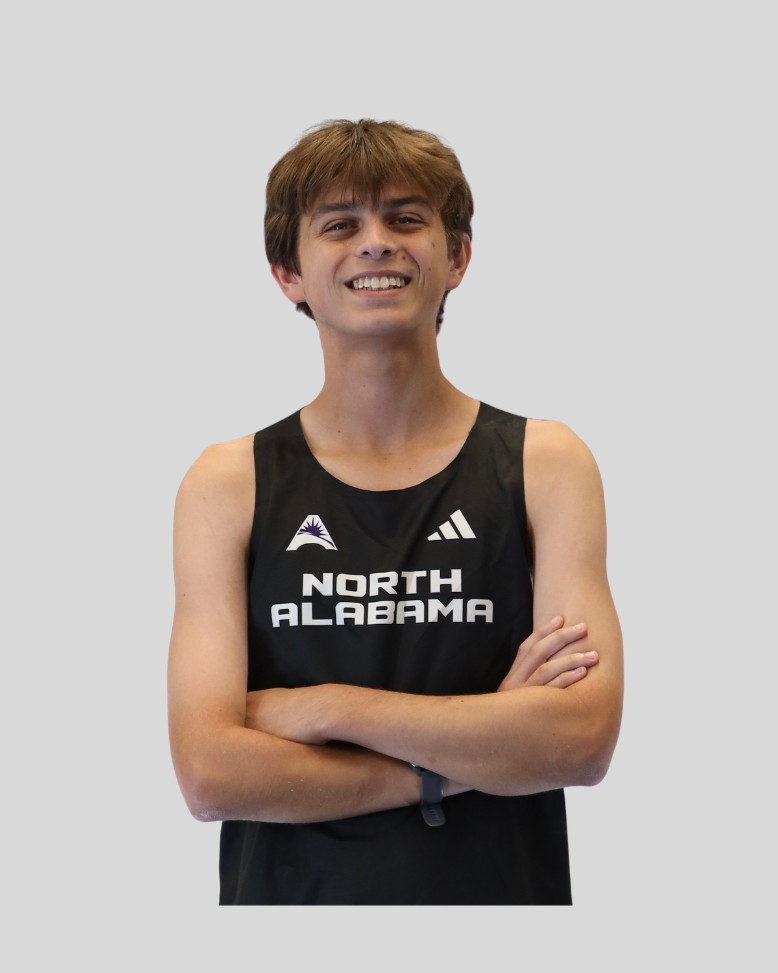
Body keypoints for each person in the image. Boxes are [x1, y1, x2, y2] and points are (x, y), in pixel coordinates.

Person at [167, 119, 623, 905]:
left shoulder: (544, 463)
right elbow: (211, 772)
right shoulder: (228, 481)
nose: (375, 242)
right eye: (339, 225)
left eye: (406, 219)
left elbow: (578, 740)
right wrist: (470, 753)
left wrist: (323, 710)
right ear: (288, 273)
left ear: (458, 257)